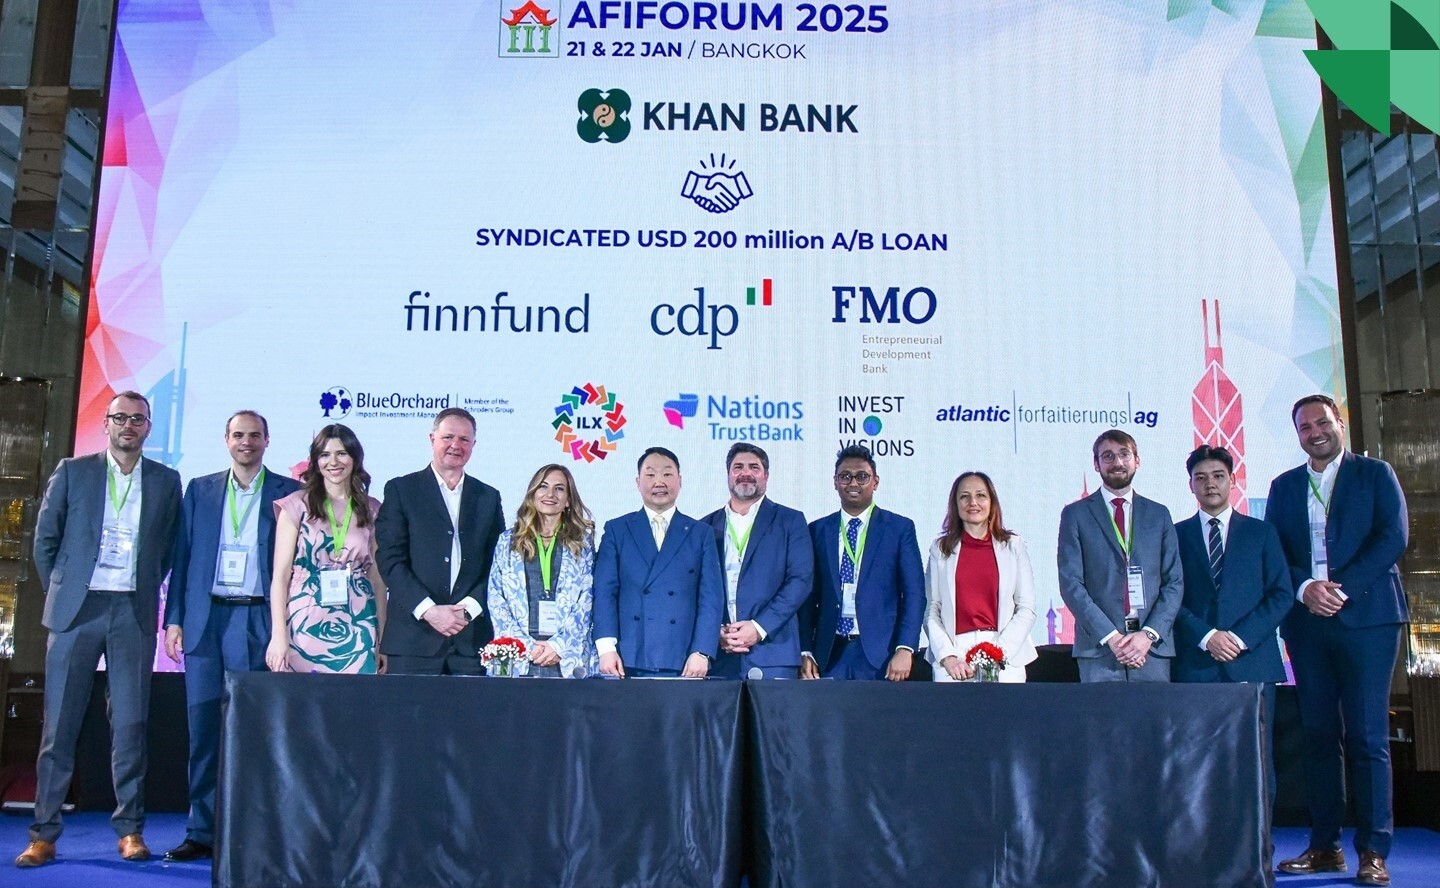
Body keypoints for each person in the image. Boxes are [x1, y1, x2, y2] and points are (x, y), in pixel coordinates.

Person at [17, 391, 181, 868]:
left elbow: (167, 547)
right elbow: (45, 541)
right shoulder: (73, 471)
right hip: (77, 612)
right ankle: (44, 833)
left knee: (131, 726)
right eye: (120, 418)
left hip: (131, 611)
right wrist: (64, 594)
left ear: (149, 427)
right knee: (59, 727)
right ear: (106, 424)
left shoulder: (167, 481)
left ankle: (130, 830)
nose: (128, 425)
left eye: (138, 419)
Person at [1267, 395, 1408, 887]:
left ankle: (1374, 850)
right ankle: (1324, 846)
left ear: (1340, 424)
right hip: (1308, 623)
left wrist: (1341, 589)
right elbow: (1274, 551)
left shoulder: (1376, 475)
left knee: (1368, 738)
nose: (1314, 432)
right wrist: (1306, 588)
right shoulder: (1284, 486)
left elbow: (1393, 537)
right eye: (1304, 426)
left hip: (1368, 619)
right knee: (1319, 736)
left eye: (1322, 422)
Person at [160, 410, 300, 862]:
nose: (246, 442)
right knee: (203, 730)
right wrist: (174, 618)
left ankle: (254, 827)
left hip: (258, 621)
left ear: (267, 440)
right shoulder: (199, 489)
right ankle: (201, 829)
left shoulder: (288, 493)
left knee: (256, 731)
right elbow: (182, 557)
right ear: (225, 440)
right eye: (238, 435)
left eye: (255, 435)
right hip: (206, 622)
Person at [1173, 444, 1291, 806]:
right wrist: (1207, 636)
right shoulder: (1174, 536)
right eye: (1201, 478)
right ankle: (1202, 855)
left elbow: (1282, 594)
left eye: (1218, 476)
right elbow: (1168, 598)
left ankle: (1258, 854)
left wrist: (1239, 637)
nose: (1210, 484)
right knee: (1197, 766)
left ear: (1233, 480)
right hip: (1195, 666)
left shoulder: (1262, 533)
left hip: (1251, 663)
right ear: (1190, 485)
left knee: (1255, 763)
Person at [375, 408, 504, 675]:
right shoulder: (401, 490)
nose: (456, 445)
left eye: (464, 440)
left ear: (474, 445)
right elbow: (390, 560)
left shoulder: (488, 496)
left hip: (471, 642)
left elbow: (498, 565)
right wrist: (430, 611)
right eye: (448, 437)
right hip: (413, 640)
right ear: (432, 439)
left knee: (473, 718)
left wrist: (467, 610)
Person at [1057, 429, 1181, 682]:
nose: (1117, 462)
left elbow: (1174, 582)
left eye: (1124, 454)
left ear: (1137, 460)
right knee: (1102, 722)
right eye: (1108, 456)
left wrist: (1147, 635)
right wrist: (1111, 637)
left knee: (1152, 722)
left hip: (1152, 650)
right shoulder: (1076, 515)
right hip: (1099, 649)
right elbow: (1071, 584)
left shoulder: (1159, 515)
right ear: (1096, 464)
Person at [265, 424, 386, 674]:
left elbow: (378, 580)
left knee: (354, 707)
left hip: (359, 622)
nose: (333, 462)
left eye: (342, 453)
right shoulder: (296, 506)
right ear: (315, 460)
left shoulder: (372, 509)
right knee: (305, 707)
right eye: (325, 455)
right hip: (303, 623)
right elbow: (280, 576)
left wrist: (382, 639)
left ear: (354, 458)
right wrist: (278, 636)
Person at [592, 447, 723, 677]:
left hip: (683, 660)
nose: (659, 482)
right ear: (638, 482)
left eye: (667, 474)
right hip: (627, 656)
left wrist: (702, 652)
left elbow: (711, 597)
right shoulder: (618, 529)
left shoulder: (700, 533)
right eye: (650, 475)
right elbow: (604, 591)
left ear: (680, 481)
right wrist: (606, 648)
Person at [800, 445, 923, 681]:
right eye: (845, 476)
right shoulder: (817, 530)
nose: (853, 483)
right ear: (835, 482)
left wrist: (905, 647)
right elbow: (807, 598)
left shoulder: (899, 529)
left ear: (875, 482)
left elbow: (915, 594)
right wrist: (805, 650)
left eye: (862, 476)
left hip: (883, 655)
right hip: (828, 654)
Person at [702, 443, 811, 679]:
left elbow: (800, 581)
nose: (746, 473)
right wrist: (716, 632)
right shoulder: (705, 527)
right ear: (728, 474)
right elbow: (698, 589)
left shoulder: (790, 521)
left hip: (773, 654)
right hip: (719, 655)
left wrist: (759, 628)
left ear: (766, 476)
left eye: (754, 467)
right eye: (738, 467)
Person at [923, 471, 1037, 682]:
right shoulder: (940, 549)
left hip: (1005, 656)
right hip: (955, 658)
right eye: (964, 496)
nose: (972, 502)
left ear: (991, 502)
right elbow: (931, 609)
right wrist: (947, 657)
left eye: (981, 495)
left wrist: (997, 652)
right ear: (955, 504)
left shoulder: (1013, 546)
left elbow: (1026, 608)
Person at [486, 464, 598, 677]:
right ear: (533, 493)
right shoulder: (508, 541)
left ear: (568, 499)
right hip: (517, 657)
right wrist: (525, 646)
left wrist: (558, 645)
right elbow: (496, 597)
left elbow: (588, 597)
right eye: (543, 486)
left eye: (559, 488)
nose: (550, 494)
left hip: (566, 657)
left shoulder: (581, 543)